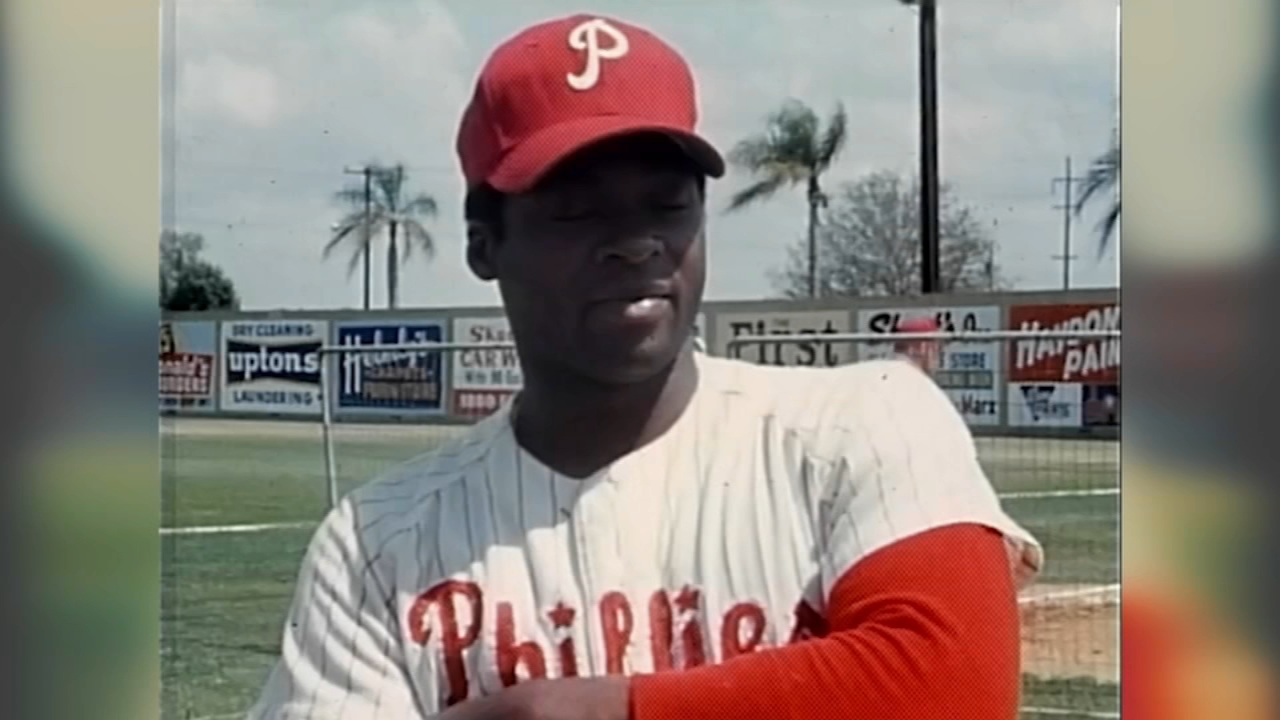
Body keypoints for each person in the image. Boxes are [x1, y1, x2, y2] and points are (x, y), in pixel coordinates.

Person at [248, 13, 1042, 720]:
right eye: (576, 207)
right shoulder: (378, 541)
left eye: (667, 203)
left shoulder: (865, 420)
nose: (635, 240)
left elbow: (953, 686)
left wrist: (600, 709)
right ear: (484, 245)